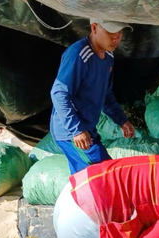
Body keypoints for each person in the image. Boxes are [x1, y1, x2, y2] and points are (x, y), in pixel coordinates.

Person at [50, 18, 135, 174]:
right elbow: (59, 93)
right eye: (111, 32)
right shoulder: (79, 55)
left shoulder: (108, 57)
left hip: (88, 129)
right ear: (94, 27)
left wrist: (122, 120)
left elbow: (106, 94)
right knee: (105, 174)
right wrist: (76, 130)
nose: (116, 37)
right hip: (72, 133)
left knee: (85, 178)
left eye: (120, 32)